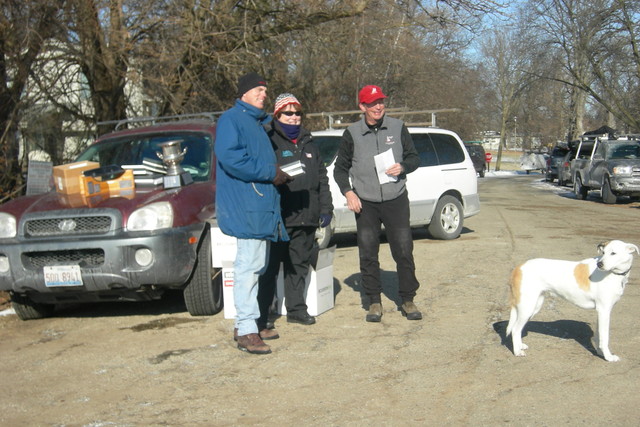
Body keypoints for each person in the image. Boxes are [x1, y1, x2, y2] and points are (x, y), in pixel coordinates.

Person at [214, 72, 291, 354]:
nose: (263, 94)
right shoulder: (232, 119)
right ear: (244, 93)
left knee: (255, 265)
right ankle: (246, 329)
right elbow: (232, 158)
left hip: (258, 204)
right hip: (247, 205)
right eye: (258, 89)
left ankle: (249, 323)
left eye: (264, 90)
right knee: (248, 266)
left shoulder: (256, 123)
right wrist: (271, 172)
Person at [333, 85, 422, 322]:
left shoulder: (398, 127)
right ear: (362, 107)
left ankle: (408, 298)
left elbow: (414, 158)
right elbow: (340, 169)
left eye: (381, 102)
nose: (378, 107)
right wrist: (348, 193)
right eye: (372, 103)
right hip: (366, 203)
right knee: (368, 253)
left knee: (403, 251)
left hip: (396, 199)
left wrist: (403, 167)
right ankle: (374, 301)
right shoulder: (351, 134)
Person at [257, 93, 333, 332]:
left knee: (298, 265)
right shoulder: (267, 139)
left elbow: (321, 178)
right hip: (279, 216)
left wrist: (325, 208)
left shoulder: (309, 142)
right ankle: (264, 314)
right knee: (269, 268)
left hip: (306, 215)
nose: (293, 117)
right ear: (277, 114)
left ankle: (297, 310)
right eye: (288, 113)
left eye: (297, 112)